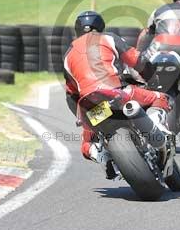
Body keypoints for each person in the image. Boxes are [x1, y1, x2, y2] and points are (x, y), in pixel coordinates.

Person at [63, 10, 171, 176]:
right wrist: (153, 80)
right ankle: (159, 131)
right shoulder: (108, 38)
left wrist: (82, 118)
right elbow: (137, 60)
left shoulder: (68, 55)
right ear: (100, 26)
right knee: (161, 98)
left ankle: (103, 158)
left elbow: (71, 94)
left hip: (92, 106)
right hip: (116, 93)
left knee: (86, 145)